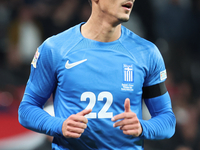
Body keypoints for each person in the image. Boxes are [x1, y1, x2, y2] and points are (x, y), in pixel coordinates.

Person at [18, 0, 176, 149]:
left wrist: (143, 127)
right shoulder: (55, 49)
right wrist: (59, 126)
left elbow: (167, 120)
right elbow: (27, 109)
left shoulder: (147, 53)